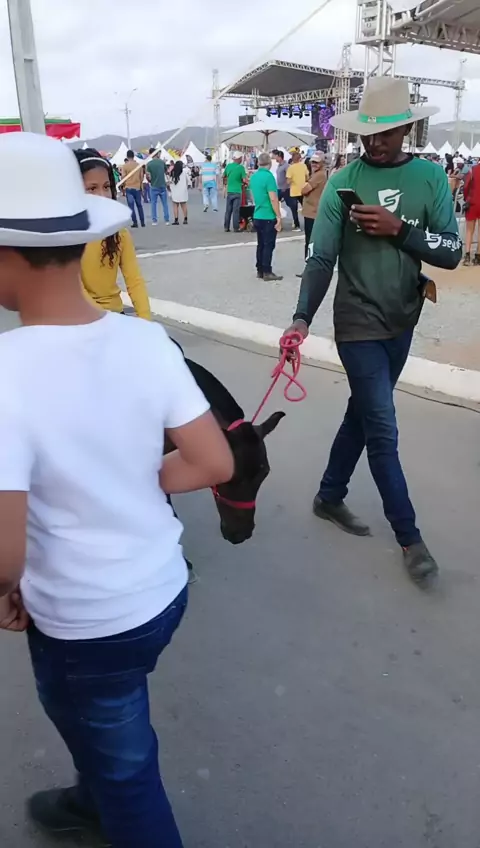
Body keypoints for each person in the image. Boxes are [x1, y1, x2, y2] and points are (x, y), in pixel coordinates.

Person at [0, 131, 234, 848]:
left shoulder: (6, 373)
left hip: (84, 617)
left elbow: (6, 554)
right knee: (93, 716)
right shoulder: (145, 341)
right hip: (162, 592)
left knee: (124, 762)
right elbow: (214, 462)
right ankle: (94, 792)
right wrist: (129, 483)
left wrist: (5, 588)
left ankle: (107, 801)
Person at [283, 76, 462, 584]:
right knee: (382, 427)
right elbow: (321, 259)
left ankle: (329, 495)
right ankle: (410, 539)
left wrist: (399, 230)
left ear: (406, 129)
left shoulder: (430, 178)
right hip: (356, 323)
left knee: (362, 414)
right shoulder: (343, 183)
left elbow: (451, 251)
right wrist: (301, 318)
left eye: (385, 132)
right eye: (368, 133)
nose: (375, 142)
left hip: (403, 318)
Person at [75, 149, 151, 320]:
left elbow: (135, 281)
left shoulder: (119, 233)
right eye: (92, 188)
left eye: (106, 187)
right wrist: (107, 324)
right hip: (80, 319)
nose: (102, 195)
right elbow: (76, 289)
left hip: (114, 314)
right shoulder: (66, 236)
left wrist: (146, 321)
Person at [249, 152, 283, 282]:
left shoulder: (254, 177)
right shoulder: (269, 177)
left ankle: (260, 269)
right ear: (269, 163)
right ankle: (267, 270)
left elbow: (253, 196)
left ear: (258, 163)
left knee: (261, 244)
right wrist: (278, 216)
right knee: (269, 245)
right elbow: (273, 198)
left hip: (258, 214)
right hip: (268, 214)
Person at [300, 151, 327, 260]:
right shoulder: (316, 174)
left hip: (313, 212)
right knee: (311, 239)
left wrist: (305, 185)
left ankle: (310, 261)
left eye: (316, 162)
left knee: (310, 239)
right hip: (312, 211)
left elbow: (304, 190)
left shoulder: (319, 175)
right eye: (312, 162)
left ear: (322, 163)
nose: (314, 164)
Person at [224, 151, 247, 232]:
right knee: (236, 211)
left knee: (228, 210)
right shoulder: (241, 168)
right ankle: (236, 228)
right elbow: (244, 180)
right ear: (239, 158)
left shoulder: (228, 166)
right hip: (237, 191)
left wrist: (227, 183)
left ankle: (226, 227)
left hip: (229, 191)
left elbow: (224, 176)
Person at [121, 150, 145, 228]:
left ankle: (135, 222)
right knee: (139, 205)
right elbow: (141, 177)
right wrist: (141, 186)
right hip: (137, 187)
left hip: (129, 188)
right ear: (133, 156)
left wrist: (123, 185)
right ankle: (142, 222)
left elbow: (123, 177)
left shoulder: (125, 166)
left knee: (131, 206)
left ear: (127, 156)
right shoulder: (138, 165)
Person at [463, 160, 480, 265]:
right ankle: (478, 256)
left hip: (473, 203)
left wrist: (466, 199)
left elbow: (466, 186)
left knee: (469, 230)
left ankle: (467, 256)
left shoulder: (472, 170)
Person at [286, 150, 308, 232]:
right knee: (305, 208)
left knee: (294, 210)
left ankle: (297, 226)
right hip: (303, 190)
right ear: (300, 158)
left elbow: (288, 181)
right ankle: (307, 224)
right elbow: (307, 177)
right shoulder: (304, 166)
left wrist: (292, 180)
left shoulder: (290, 168)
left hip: (294, 191)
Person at [147, 148, 169, 226]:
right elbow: (167, 172)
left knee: (153, 204)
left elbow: (148, 176)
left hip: (154, 186)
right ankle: (167, 220)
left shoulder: (149, 164)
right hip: (162, 185)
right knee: (165, 203)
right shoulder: (162, 162)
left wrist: (150, 180)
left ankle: (154, 220)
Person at [169, 160, 189, 225]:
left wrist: (170, 189)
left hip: (175, 191)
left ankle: (176, 220)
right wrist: (187, 187)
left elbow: (170, 182)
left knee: (175, 205)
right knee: (184, 205)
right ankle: (185, 219)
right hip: (183, 191)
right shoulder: (184, 173)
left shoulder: (172, 173)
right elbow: (188, 181)